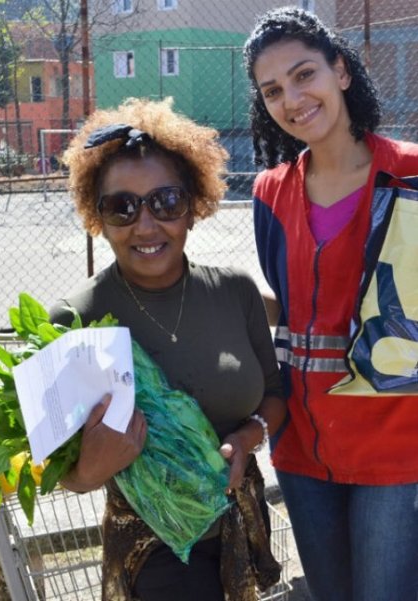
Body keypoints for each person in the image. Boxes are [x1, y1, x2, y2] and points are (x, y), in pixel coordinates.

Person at [52, 98, 285, 601]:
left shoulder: (235, 291)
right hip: (154, 551)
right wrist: (93, 467)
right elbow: (61, 471)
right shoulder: (76, 321)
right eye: (122, 207)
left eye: (166, 202)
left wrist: (247, 439)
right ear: (98, 216)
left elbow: (275, 394)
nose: (146, 225)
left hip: (243, 529)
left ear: (193, 206)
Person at [244, 8, 418, 600]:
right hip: (300, 447)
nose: (292, 99)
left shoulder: (411, 176)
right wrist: (210, 295)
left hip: (396, 445)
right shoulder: (269, 192)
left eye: (304, 75)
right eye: (273, 90)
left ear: (340, 71)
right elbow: (287, 305)